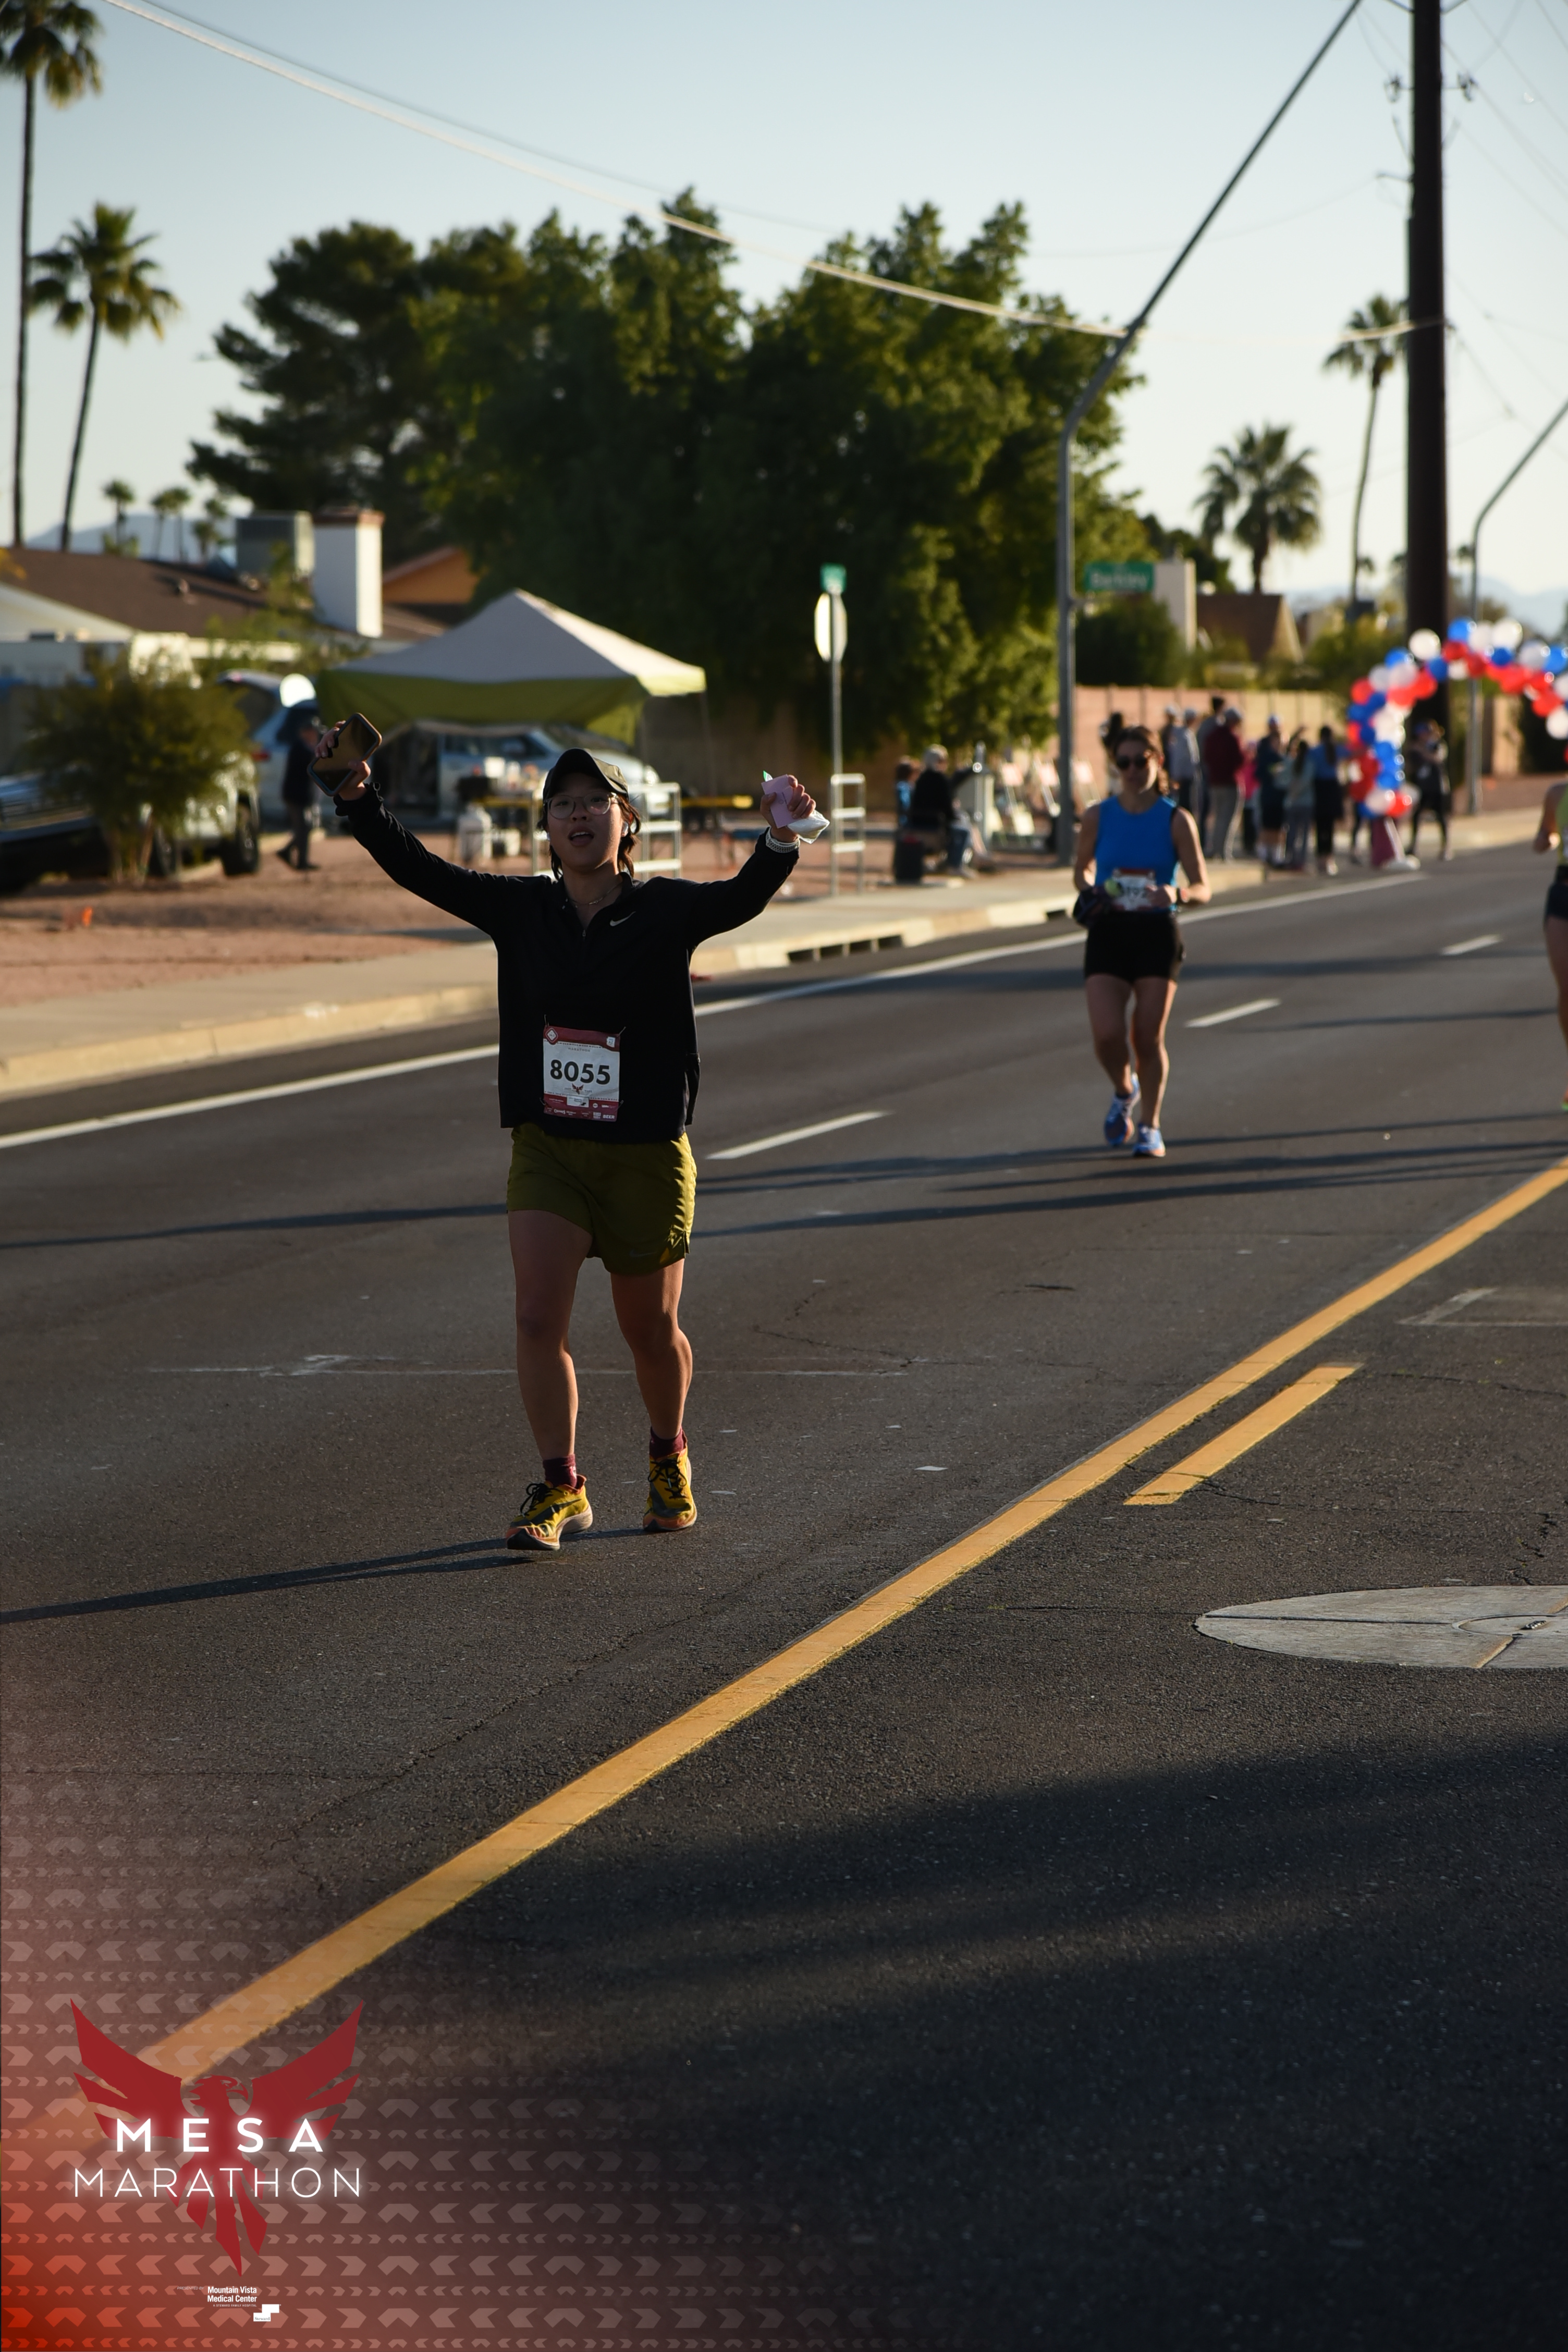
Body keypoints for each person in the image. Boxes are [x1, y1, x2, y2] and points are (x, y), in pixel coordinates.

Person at [317, 726, 817, 1550]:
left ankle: (667, 1453)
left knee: (648, 1331)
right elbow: (420, 869)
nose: (578, 816)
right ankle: (561, 1485)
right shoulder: (521, 910)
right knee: (534, 1318)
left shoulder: (664, 911)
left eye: (595, 803)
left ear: (627, 821)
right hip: (549, 1146)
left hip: (644, 1154)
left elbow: (740, 898)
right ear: (546, 827)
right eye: (563, 805)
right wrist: (357, 798)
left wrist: (781, 837)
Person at [1073, 723, 1211, 1159]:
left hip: (1156, 932)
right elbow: (1081, 871)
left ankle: (1150, 1125)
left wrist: (1177, 894)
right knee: (1107, 1036)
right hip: (1110, 930)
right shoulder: (1097, 816)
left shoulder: (1176, 820)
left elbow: (1203, 886)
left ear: (1158, 762)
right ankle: (1124, 1089)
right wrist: (1094, 889)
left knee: (1147, 1037)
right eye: (1124, 763)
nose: (1132, 771)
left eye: (1141, 761)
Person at [1533, 771, 1568, 1110]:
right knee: (1567, 989)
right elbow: (1547, 834)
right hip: (1564, 893)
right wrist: (1545, 840)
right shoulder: (1558, 795)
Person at [908, 744, 974, 875]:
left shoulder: (920, 779)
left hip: (916, 824)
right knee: (964, 831)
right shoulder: (940, 780)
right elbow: (947, 807)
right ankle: (954, 865)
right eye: (943, 761)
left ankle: (945, 863)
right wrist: (954, 816)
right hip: (935, 824)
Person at [1202, 705, 1245, 861]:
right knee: (1229, 819)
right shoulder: (1232, 738)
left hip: (1214, 782)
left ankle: (1215, 849)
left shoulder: (1212, 736)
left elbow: (1206, 757)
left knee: (1217, 818)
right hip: (1230, 782)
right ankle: (1224, 851)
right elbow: (1239, 760)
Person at [278, 719, 322, 871]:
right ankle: (301, 861)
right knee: (303, 828)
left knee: (305, 828)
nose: (315, 734)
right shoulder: (300, 748)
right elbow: (312, 763)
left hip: (301, 796)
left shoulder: (306, 747)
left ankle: (292, 855)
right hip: (295, 796)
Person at [1406, 719, 1453, 860]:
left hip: (1438, 787)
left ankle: (1445, 847)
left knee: (1441, 817)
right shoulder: (1415, 749)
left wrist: (1422, 751)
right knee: (1417, 816)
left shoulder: (1439, 746)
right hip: (1423, 787)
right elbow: (1411, 766)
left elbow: (1437, 758)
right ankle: (1413, 846)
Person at [1253, 715, 1287, 867]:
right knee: (1267, 825)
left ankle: (1277, 855)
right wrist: (1272, 772)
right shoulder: (1266, 755)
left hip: (1281, 797)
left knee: (1280, 827)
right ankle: (1265, 852)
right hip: (1268, 795)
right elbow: (1259, 773)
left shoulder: (1284, 758)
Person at [1309, 723, 1343, 874]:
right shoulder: (1335, 750)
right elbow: (1353, 752)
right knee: (1330, 828)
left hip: (1319, 789)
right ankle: (1329, 859)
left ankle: (1320, 859)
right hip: (1332, 789)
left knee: (1320, 827)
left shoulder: (1315, 751)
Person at [1282, 730, 1315, 869]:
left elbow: (1284, 780)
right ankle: (1301, 860)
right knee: (1304, 834)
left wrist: (1293, 793)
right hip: (1306, 803)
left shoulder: (1291, 763)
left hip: (1292, 803)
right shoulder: (1310, 765)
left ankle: (1290, 858)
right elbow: (1307, 782)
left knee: (1292, 832)